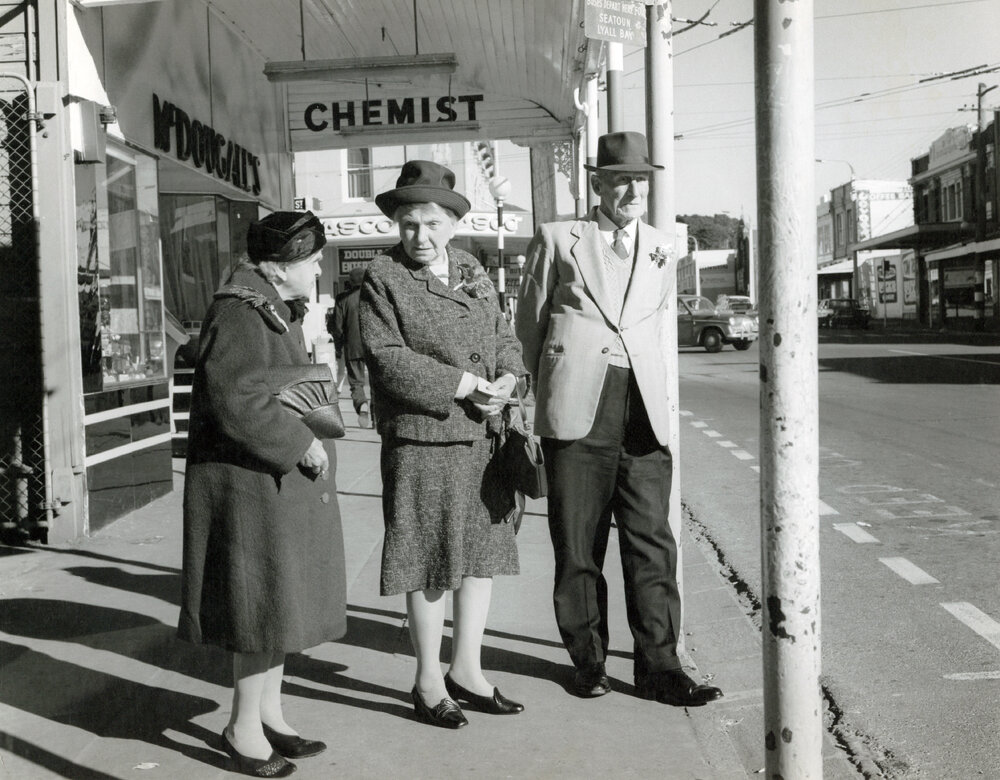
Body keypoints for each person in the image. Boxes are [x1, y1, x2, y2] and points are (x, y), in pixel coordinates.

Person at [515, 132, 724, 707]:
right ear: (598, 184)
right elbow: (528, 325)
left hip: (643, 414)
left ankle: (660, 667)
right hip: (578, 407)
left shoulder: (662, 246)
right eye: (622, 179)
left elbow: (652, 326)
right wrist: (542, 393)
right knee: (578, 546)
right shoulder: (560, 238)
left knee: (652, 543)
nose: (633, 190)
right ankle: (588, 662)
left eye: (642, 180)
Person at [359, 160, 527, 729]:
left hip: (482, 438)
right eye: (409, 224)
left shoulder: (473, 268)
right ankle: (429, 680)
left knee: (478, 560)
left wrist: (507, 378)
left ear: (454, 222)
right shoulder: (383, 277)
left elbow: (505, 338)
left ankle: (468, 670)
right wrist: (464, 385)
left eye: (432, 223)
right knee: (428, 561)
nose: (420, 236)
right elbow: (387, 358)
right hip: (424, 440)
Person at [178, 211, 347, 777]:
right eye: (312, 258)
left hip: (263, 486)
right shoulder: (241, 311)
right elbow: (237, 399)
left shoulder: (270, 307)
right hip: (248, 488)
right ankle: (242, 727)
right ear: (283, 264)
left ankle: (269, 714)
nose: (319, 267)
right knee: (257, 612)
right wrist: (300, 444)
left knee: (275, 606)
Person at [330, 266, 373, 428]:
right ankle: (377, 416)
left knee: (356, 382)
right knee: (376, 382)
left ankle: (362, 403)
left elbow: (338, 327)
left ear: (350, 281)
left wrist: (338, 346)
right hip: (374, 346)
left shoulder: (342, 299)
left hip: (353, 346)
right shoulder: (373, 296)